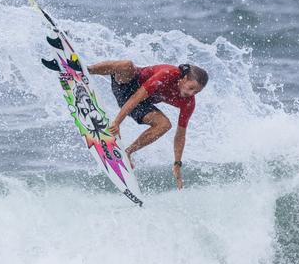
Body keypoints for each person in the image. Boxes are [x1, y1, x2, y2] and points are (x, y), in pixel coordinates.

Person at [86, 61, 208, 189]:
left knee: (164, 124)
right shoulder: (169, 74)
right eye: (191, 88)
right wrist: (117, 123)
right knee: (127, 65)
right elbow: (136, 97)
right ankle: (87, 70)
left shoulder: (188, 102)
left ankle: (127, 152)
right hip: (126, 84)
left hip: (139, 104)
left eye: (196, 92)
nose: (191, 94)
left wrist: (177, 164)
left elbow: (181, 134)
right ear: (184, 79)